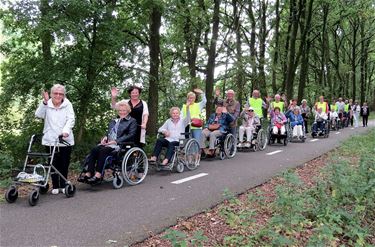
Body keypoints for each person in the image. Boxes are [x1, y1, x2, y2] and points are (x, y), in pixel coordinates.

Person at [78, 100, 137, 184]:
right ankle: (89, 173)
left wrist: (115, 141)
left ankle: (98, 175)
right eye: (120, 110)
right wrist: (105, 138)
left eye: (124, 110)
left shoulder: (132, 121)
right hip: (109, 143)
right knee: (94, 149)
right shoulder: (114, 121)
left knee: (103, 151)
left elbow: (130, 135)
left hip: (120, 144)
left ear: (128, 111)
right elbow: (109, 133)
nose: (122, 112)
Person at [35, 84, 75, 195]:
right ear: (52, 94)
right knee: (52, 164)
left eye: (61, 94)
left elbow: (71, 119)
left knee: (64, 164)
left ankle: (63, 185)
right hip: (50, 139)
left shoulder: (68, 104)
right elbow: (38, 114)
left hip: (64, 139)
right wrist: (44, 102)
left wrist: (66, 130)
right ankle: (55, 185)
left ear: (64, 95)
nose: (58, 95)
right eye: (55, 93)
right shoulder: (46, 103)